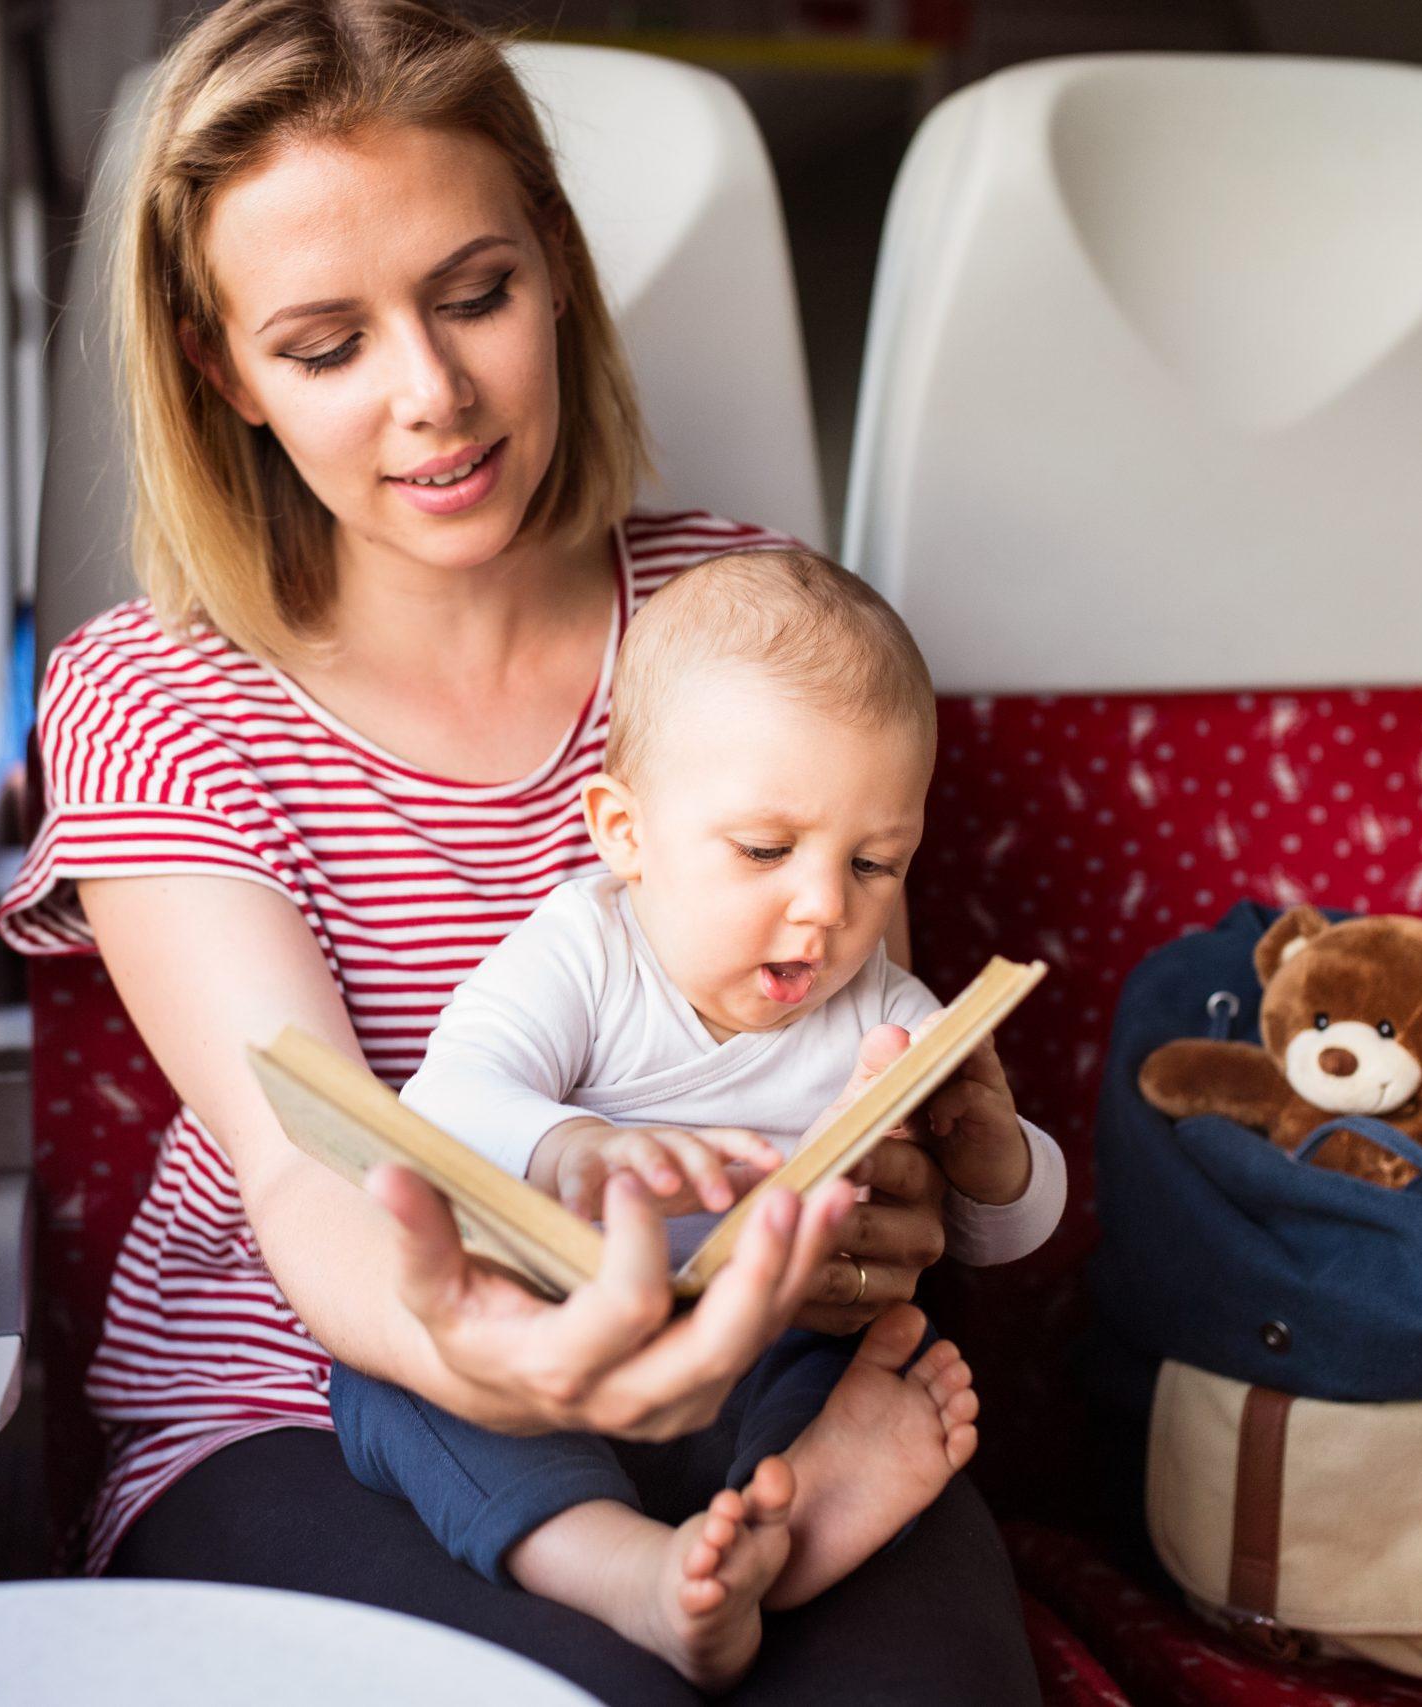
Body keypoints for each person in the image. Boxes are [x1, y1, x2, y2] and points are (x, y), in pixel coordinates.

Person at [0, 3, 1046, 1698]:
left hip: (752, 1368)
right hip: (317, 1400)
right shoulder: (154, 695)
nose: (434, 395)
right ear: (223, 371)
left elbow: (837, 1012)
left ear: (554, 269)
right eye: (327, 346)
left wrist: (890, 1202)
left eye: (475, 294)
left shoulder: (754, 625)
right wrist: (490, 1354)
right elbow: (304, 1164)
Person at [329, 548, 1065, 1690]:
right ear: (625, 833)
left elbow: (986, 1242)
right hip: (554, 1358)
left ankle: (805, 1516)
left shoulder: (884, 1007)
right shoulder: (580, 952)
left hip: (764, 1352)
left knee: (880, 1354)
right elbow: (441, 1107)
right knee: (392, 1385)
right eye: (766, 851)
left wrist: (993, 1157)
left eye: (875, 863)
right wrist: (576, 1145)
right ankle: (621, 1568)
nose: (823, 908)